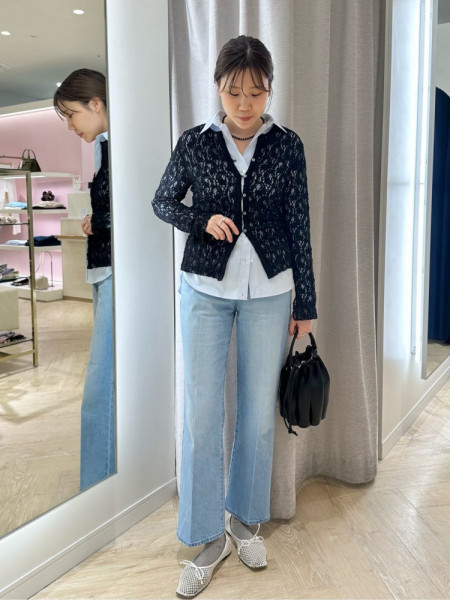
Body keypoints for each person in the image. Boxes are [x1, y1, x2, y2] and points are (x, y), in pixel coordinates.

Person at [152, 35, 317, 597]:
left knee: (256, 415)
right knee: (201, 415)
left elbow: (299, 225)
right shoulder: (195, 142)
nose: (244, 104)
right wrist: (200, 219)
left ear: (270, 89)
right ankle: (206, 537)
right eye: (233, 91)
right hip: (204, 288)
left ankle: (245, 522)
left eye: (256, 91)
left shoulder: (287, 145)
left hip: (271, 291)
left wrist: (306, 305)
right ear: (218, 88)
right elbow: (162, 201)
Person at [54, 68, 115, 491]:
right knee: (106, 376)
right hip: (103, 269)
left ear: (96, 104)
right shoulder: (104, 148)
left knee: (100, 381)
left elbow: (139, 210)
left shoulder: (118, 148)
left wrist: (103, 219)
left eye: (71, 115)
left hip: (116, 273)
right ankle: (103, 478)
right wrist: (99, 218)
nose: (70, 126)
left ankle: (96, 485)